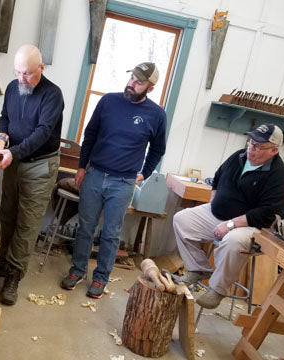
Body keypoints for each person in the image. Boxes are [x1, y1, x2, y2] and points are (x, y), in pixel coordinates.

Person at [60, 62, 167, 298]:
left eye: (139, 82)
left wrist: (145, 173)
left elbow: (158, 150)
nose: (131, 84)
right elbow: (90, 135)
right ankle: (77, 270)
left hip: (123, 183)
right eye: (131, 78)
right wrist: (81, 167)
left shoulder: (157, 115)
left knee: (110, 233)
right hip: (95, 175)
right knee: (85, 228)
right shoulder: (108, 101)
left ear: (150, 88)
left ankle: (100, 279)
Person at [0, 44, 64, 305]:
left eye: (27, 74)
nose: (21, 79)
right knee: (8, 213)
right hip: (13, 159)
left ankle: (15, 274)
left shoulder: (52, 95)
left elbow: (42, 133)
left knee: (27, 222)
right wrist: (3, 136)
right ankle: (3, 262)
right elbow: (5, 117)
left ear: (41, 68)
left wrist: (13, 152)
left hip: (39, 164)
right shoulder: (14, 88)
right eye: (17, 72)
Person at [173, 124, 284, 309]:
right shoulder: (239, 156)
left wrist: (230, 225)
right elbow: (218, 177)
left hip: (253, 226)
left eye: (259, 146)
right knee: (182, 220)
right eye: (252, 142)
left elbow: (266, 214)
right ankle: (198, 268)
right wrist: (214, 201)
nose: (252, 148)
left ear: (274, 150)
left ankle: (218, 290)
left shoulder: (279, 177)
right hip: (220, 215)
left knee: (233, 241)